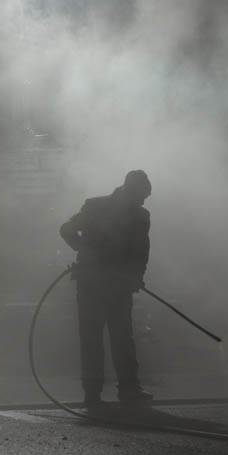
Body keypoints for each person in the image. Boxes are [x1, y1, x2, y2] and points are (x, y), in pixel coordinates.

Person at [60, 170, 154, 406]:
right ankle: (99, 392)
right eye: (142, 196)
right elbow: (67, 229)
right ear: (131, 190)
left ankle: (117, 390)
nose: (143, 202)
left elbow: (141, 252)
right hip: (94, 285)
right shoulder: (96, 207)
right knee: (100, 338)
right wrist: (84, 249)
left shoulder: (138, 215)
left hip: (114, 286)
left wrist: (136, 276)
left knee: (116, 338)